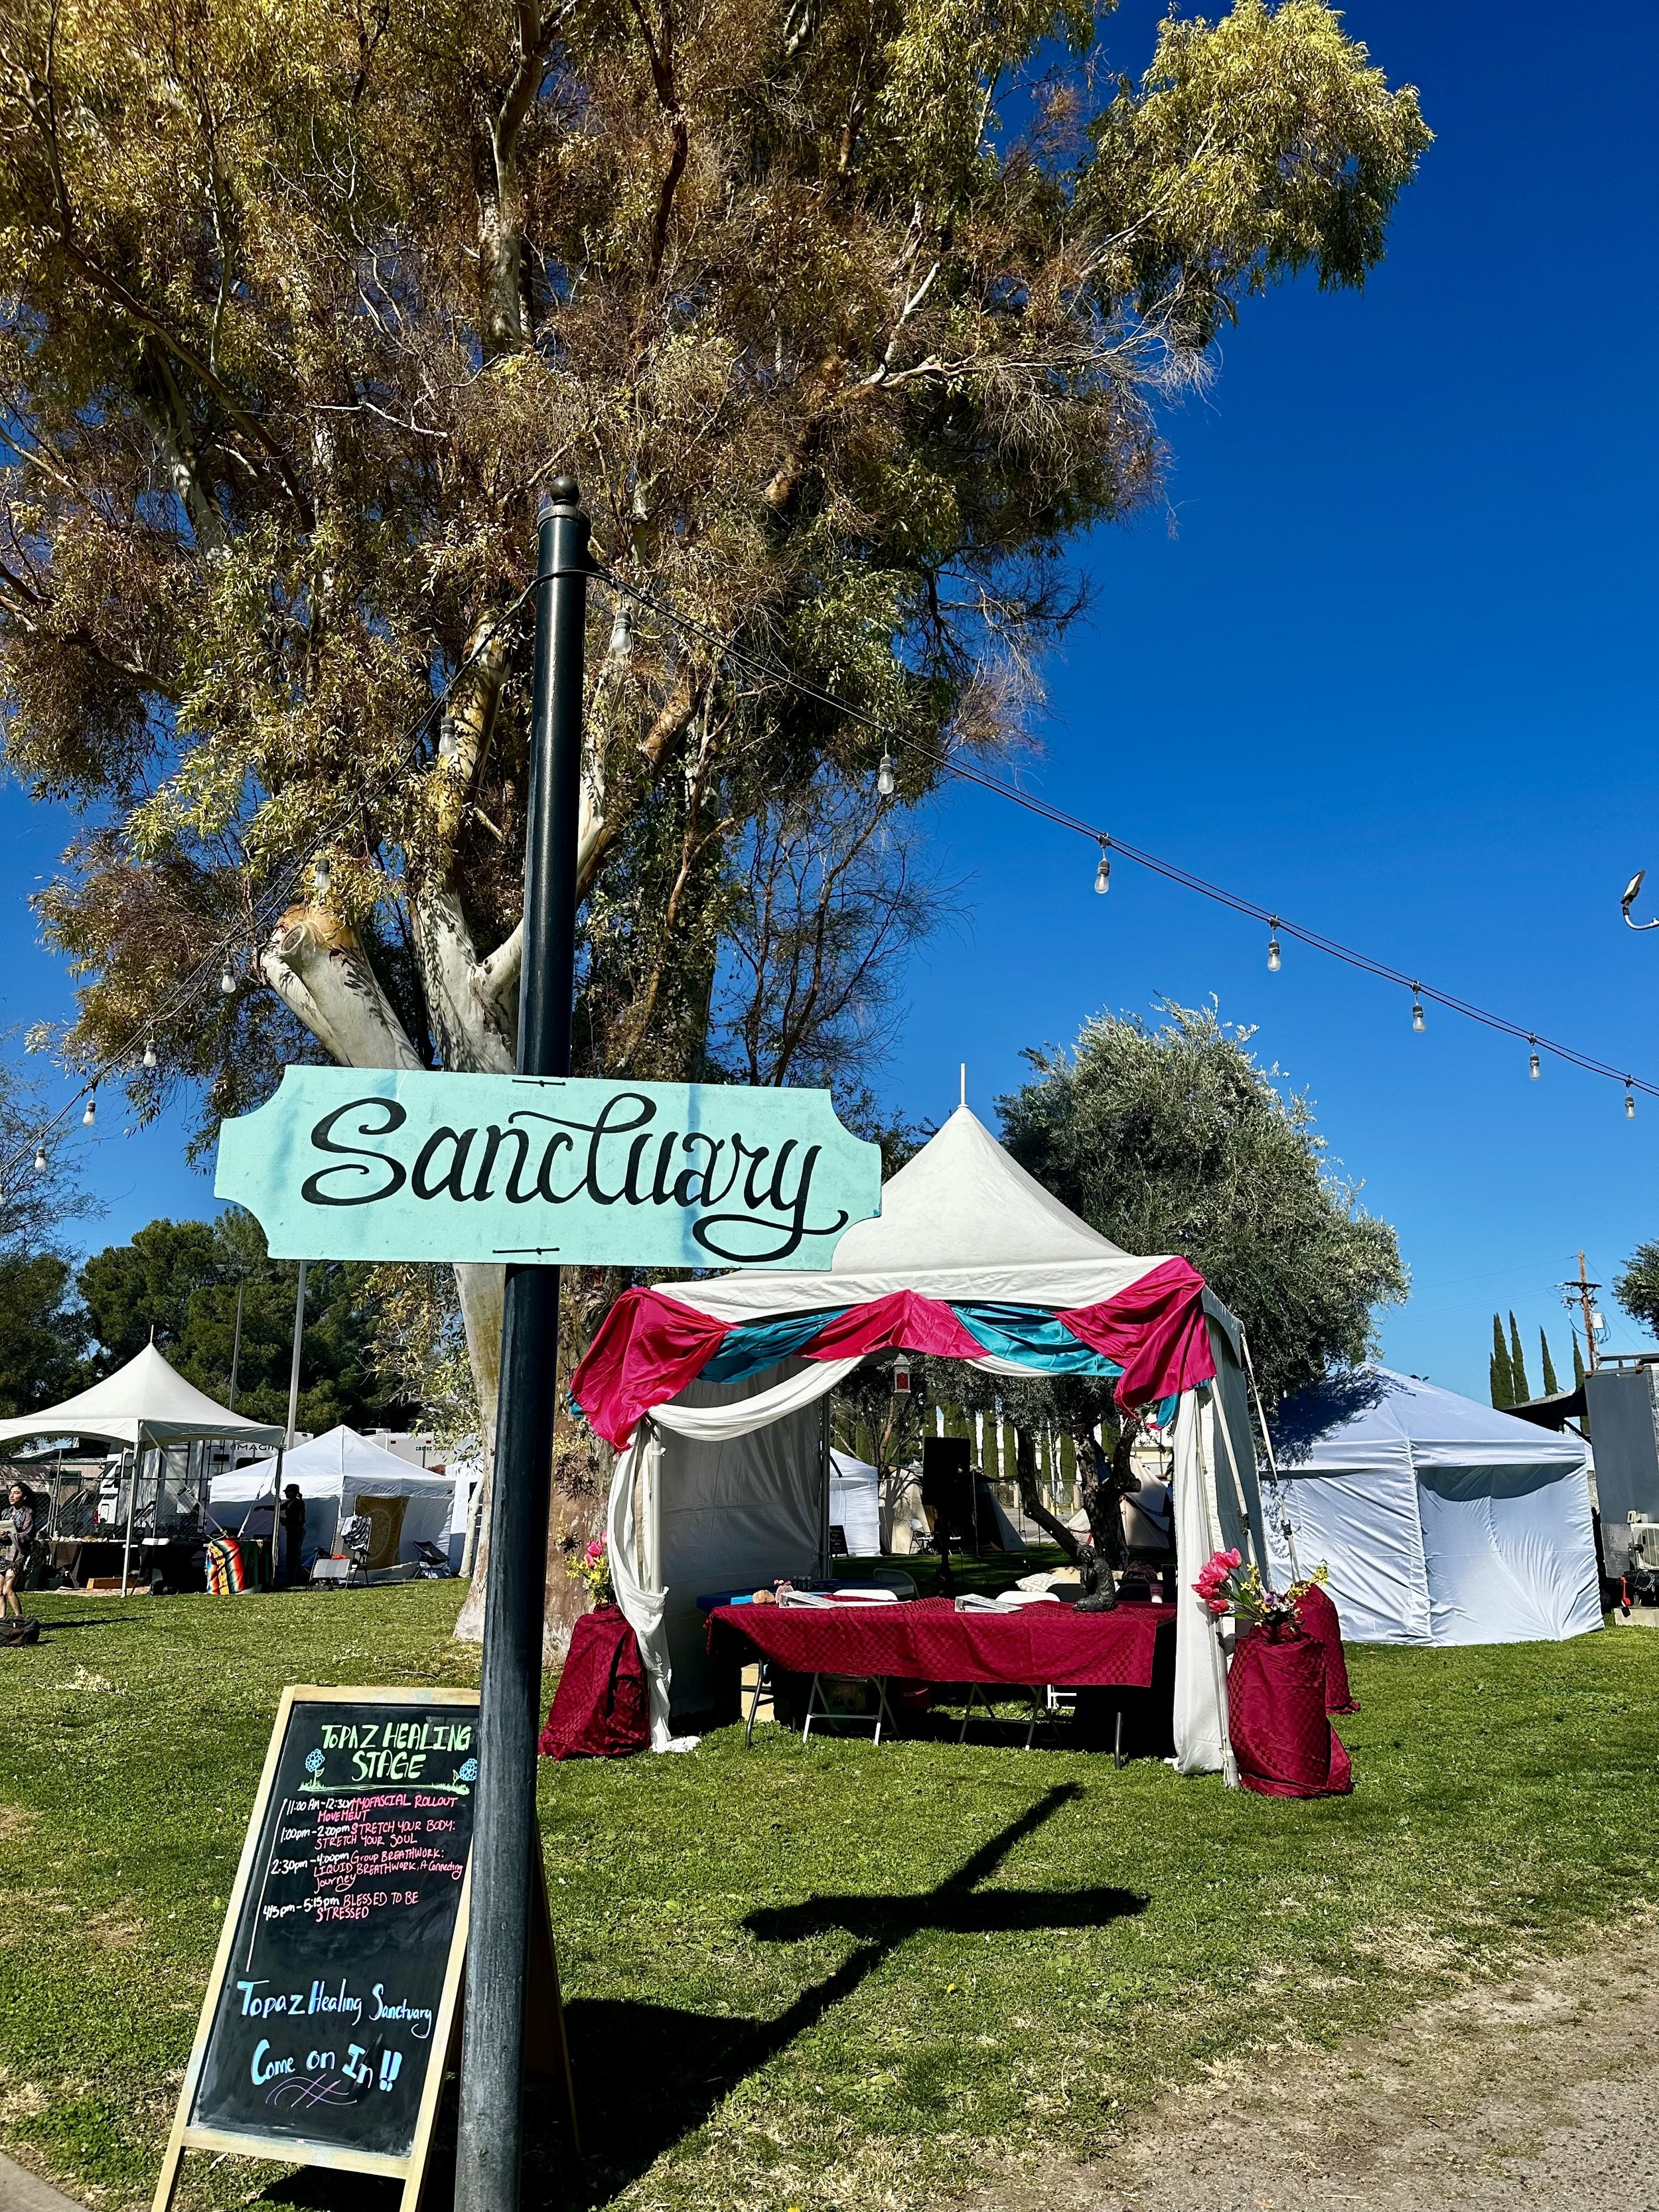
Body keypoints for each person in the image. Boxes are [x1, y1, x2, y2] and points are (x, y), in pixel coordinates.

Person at [1, 1482, 38, 1619]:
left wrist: (10, 1535)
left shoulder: (28, 1513)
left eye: (16, 1493)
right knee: (0, 1591)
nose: (12, 1496)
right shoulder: (6, 1513)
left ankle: (20, 1618)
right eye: (10, 1493)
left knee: (8, 1589)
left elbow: (28, 1535)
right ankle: (2, 1620)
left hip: (17, 1554)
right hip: (3, 1553)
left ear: (24, 1497)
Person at [280, 1482, 307, 1586]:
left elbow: (298, 1519)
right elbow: (280, 1507)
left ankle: (293, 1579)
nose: (286, 1494)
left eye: (289, 1492)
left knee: (294, 1555)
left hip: (296, 1531)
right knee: (290, 1555)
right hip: (291, 1531)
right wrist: (265, 1507)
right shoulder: (290, 1502)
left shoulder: (298, 1503)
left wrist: (285, 1521)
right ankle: (291, 1577)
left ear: (294, 1493)